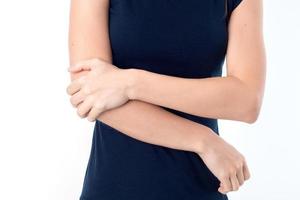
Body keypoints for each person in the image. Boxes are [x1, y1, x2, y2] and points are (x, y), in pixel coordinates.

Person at [66, 0, 266, 199]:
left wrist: (131, 83)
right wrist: (203, 141)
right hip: (115, 186)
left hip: (198, 188)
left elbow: (247, 101)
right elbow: (89, 92)